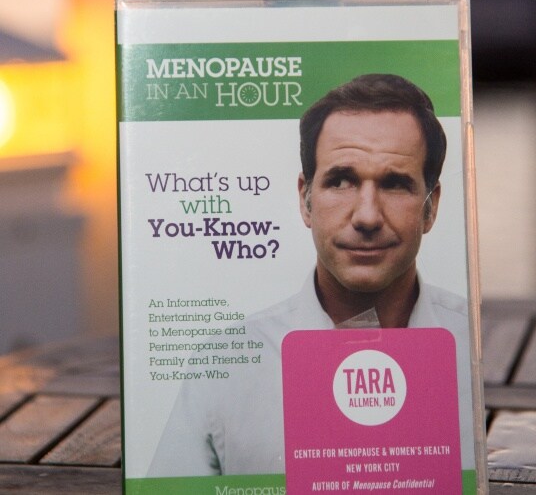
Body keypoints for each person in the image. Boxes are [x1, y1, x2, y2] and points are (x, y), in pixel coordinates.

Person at [148, 74, 474, 477]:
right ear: (305, 200)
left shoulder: (476, 352)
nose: (367, 216)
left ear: (430, 207)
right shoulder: (225, 368)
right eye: (341, 181)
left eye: (394, 184)